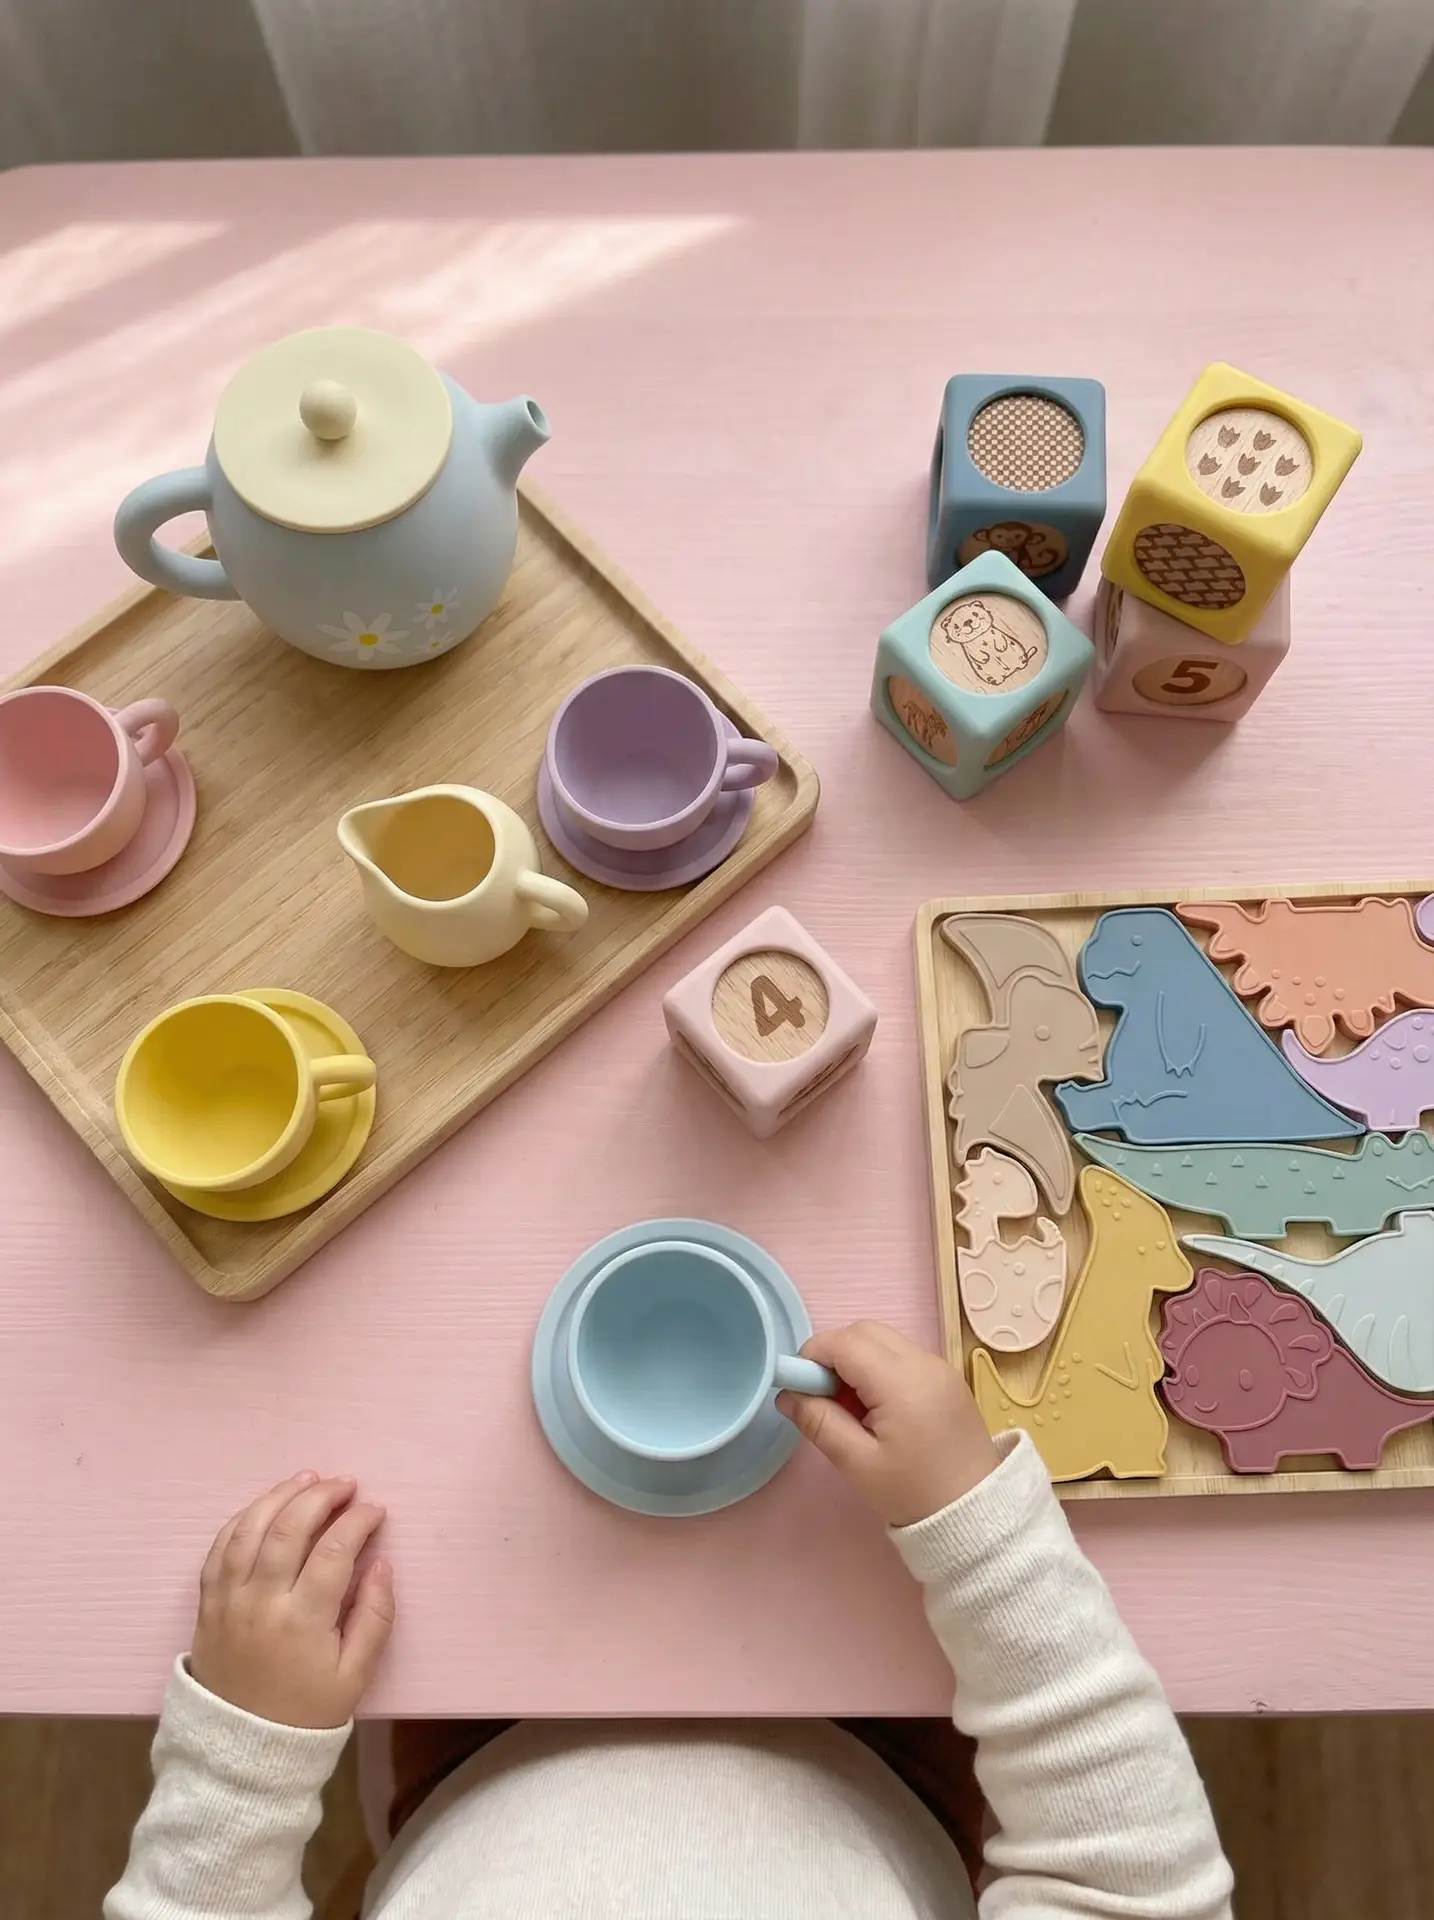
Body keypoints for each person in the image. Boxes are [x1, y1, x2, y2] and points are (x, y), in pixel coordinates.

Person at [104, 1321, 1234, 1919]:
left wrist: (248, 1753)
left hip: (472, 1761)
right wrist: (978, 1532)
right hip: (901, 1761)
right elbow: (1124, 1887)